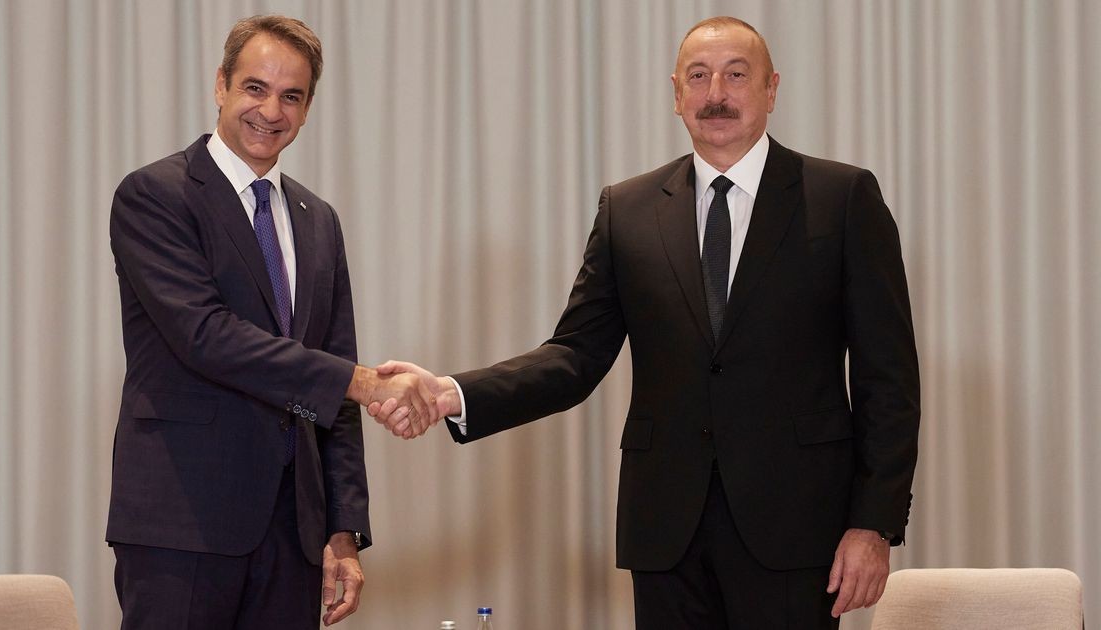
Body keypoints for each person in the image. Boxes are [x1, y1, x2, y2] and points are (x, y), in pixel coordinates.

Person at [371, 16, 920, 629]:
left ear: (771, 89)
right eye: (699, 77)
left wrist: (873, 524)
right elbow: (575, 356)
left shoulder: (842, 198)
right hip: (666, 531)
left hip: (797, 528)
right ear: (676, 94)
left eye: (737, 75)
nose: (716, 93)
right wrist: (451, 393)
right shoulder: (628, 210)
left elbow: (888, 379)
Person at [106, 15, 436, 630]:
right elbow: (207, 337)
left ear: (307, 110)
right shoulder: (156, 195)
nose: (270, 111)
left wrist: (343, 530)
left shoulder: (318, 219)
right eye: (255, 88)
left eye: (291, 96)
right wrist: (364, 383)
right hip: (183, 523)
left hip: (293, 534)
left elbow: (333, 380)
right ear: (221, 85)